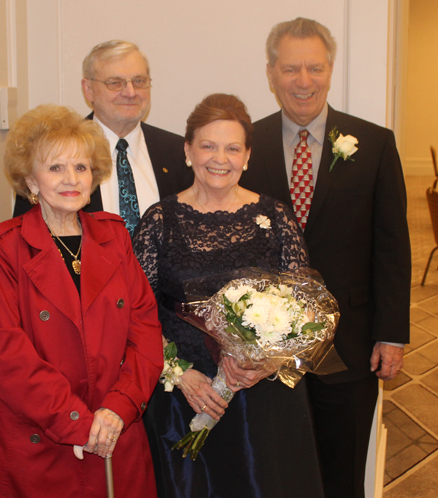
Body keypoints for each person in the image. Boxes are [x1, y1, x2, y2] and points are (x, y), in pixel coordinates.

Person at [0, 105, 163, 498]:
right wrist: (77, 423)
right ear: (31, 179)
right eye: (56, 168)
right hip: (36, 441)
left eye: (81, 168)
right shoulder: (2, 249)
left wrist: (119, 408)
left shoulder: (115, 239)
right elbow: (6, 357)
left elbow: (146, 334)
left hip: (114, 432)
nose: (71, 179)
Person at [239, 18, 411, 498]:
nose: (304, 81)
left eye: (315, 67)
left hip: (351, 346)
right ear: (271, 73)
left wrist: (391, 334)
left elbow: (393, 247)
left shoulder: (375, 144)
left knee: (342, 474)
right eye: (291, 68)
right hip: (268, 353)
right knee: (276, 475)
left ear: (331, 69)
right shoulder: (244, 145)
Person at [133, 93, 324, 498]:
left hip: (263, 401)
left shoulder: (275, 218)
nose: (220, 158)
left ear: (247, 156)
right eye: (208, 145)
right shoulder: (159, 221)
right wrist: (179, 374)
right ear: (187, 151)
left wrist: (266, 363)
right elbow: (135, 314)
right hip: (184, 399)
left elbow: (306, 311)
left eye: (232, 148)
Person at [13, 40, 193, 233]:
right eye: (115, 83)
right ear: (88, 89)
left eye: (139, 81)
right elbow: (24, 236)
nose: (131, 92)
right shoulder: (50, 151)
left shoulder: (178, 151)